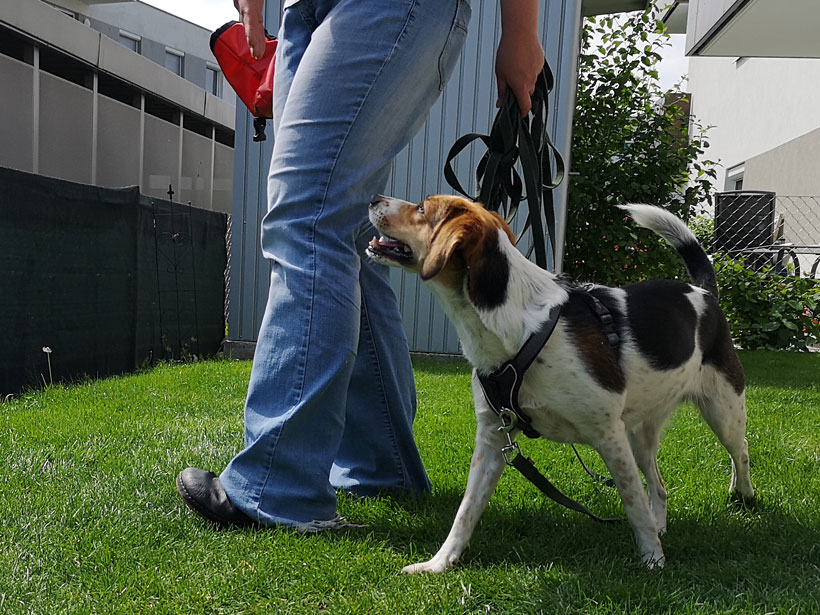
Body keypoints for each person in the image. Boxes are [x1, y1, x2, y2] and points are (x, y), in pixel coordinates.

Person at [176, 0, 547, 530]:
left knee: (308, 218)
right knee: (347, 230)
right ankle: (381, 470)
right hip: (302, 12)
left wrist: (521, 30)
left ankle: (275, 489)